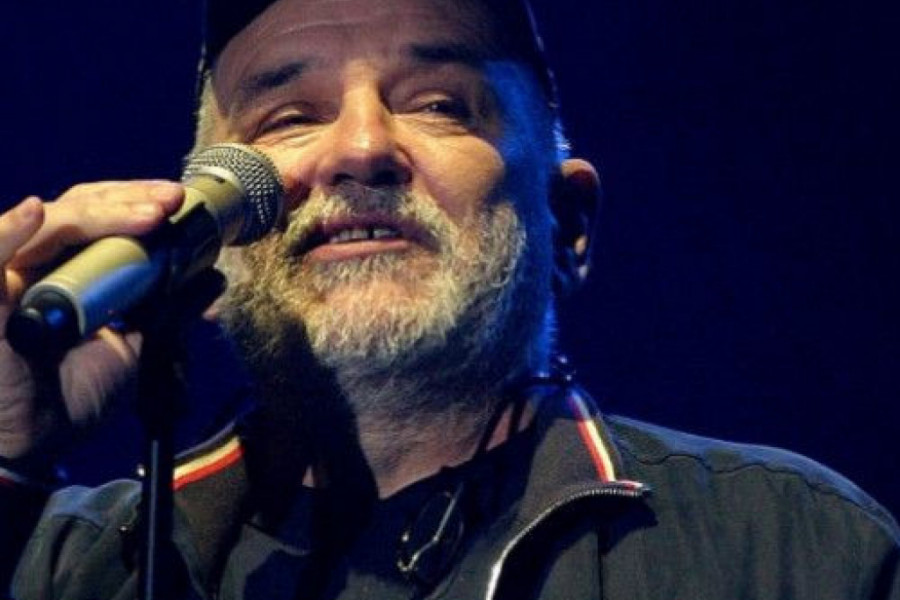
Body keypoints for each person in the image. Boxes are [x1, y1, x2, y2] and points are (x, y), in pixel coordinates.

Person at [1, 0, 898, 598]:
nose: (360, 148)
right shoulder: (61, 568)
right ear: (204, 246)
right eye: (290, 117)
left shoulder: (789, 549)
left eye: (439, 104)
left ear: (568, 224)